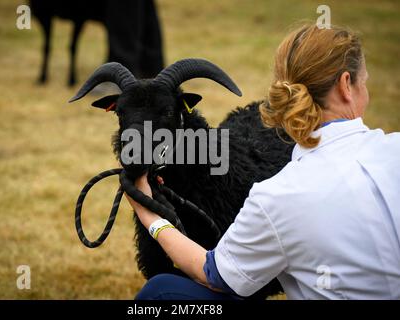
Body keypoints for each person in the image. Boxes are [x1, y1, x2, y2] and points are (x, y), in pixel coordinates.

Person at [125, 24, 400, 300]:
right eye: (364, 81)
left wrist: (150, 214)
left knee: (158, 293)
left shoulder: (275, 196)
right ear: (345, 86)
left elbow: (215, 274)